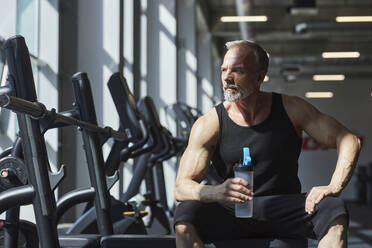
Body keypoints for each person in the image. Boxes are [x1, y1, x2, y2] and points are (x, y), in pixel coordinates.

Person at [174, 40, 362, 248]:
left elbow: (348, 139)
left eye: (238, 71)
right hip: (234, 209)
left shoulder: (292, 108)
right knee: (186, 213)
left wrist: (333, 186)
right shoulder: (210, 123)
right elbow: (181, 187)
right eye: (224, 70)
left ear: (259, 77)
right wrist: (216, 191)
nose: (227, 77)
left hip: (283, 207)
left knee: (333, 208)